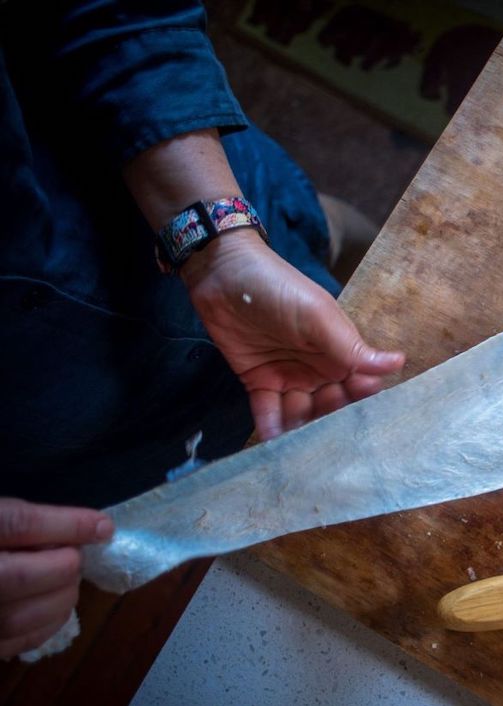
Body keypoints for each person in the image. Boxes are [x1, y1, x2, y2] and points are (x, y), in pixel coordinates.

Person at [0, 1, 405, 658]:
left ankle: (341, 234)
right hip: (64, 462)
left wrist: (222, 245)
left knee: (318, 228)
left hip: (160, 170)